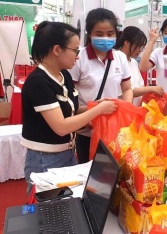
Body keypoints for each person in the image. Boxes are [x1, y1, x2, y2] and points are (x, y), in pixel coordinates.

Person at [21, 21, 117, 186]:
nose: (78, 56)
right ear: (57, 49)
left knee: (68, 204)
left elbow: (71, 109)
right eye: (75, 51)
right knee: (48, 208)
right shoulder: (39, 82)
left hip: (67, 153)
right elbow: (62, 126)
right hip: (45, 159)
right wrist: (99, 109)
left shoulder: (63, 75)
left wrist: (94, 106)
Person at [68, 8, 133, 164]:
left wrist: (125, 109)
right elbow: (71, 96)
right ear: (89, 34)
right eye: (99, 34)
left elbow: (127, 88)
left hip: (115, 129)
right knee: (88, 172)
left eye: (110, 34)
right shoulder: (79, 58)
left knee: (116, 172)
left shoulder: (120, 57)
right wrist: (88, 114)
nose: (105, 38)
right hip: (87, 130)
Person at [115, 26, 164, 106]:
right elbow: (127, 90)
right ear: (127, 43)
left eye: (142, 47)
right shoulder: (117, 59)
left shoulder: (133, 62)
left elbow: (140, 86)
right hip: (123, 110)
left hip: (135, 109)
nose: (140, 50)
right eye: (138, 46)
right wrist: (151, 89)